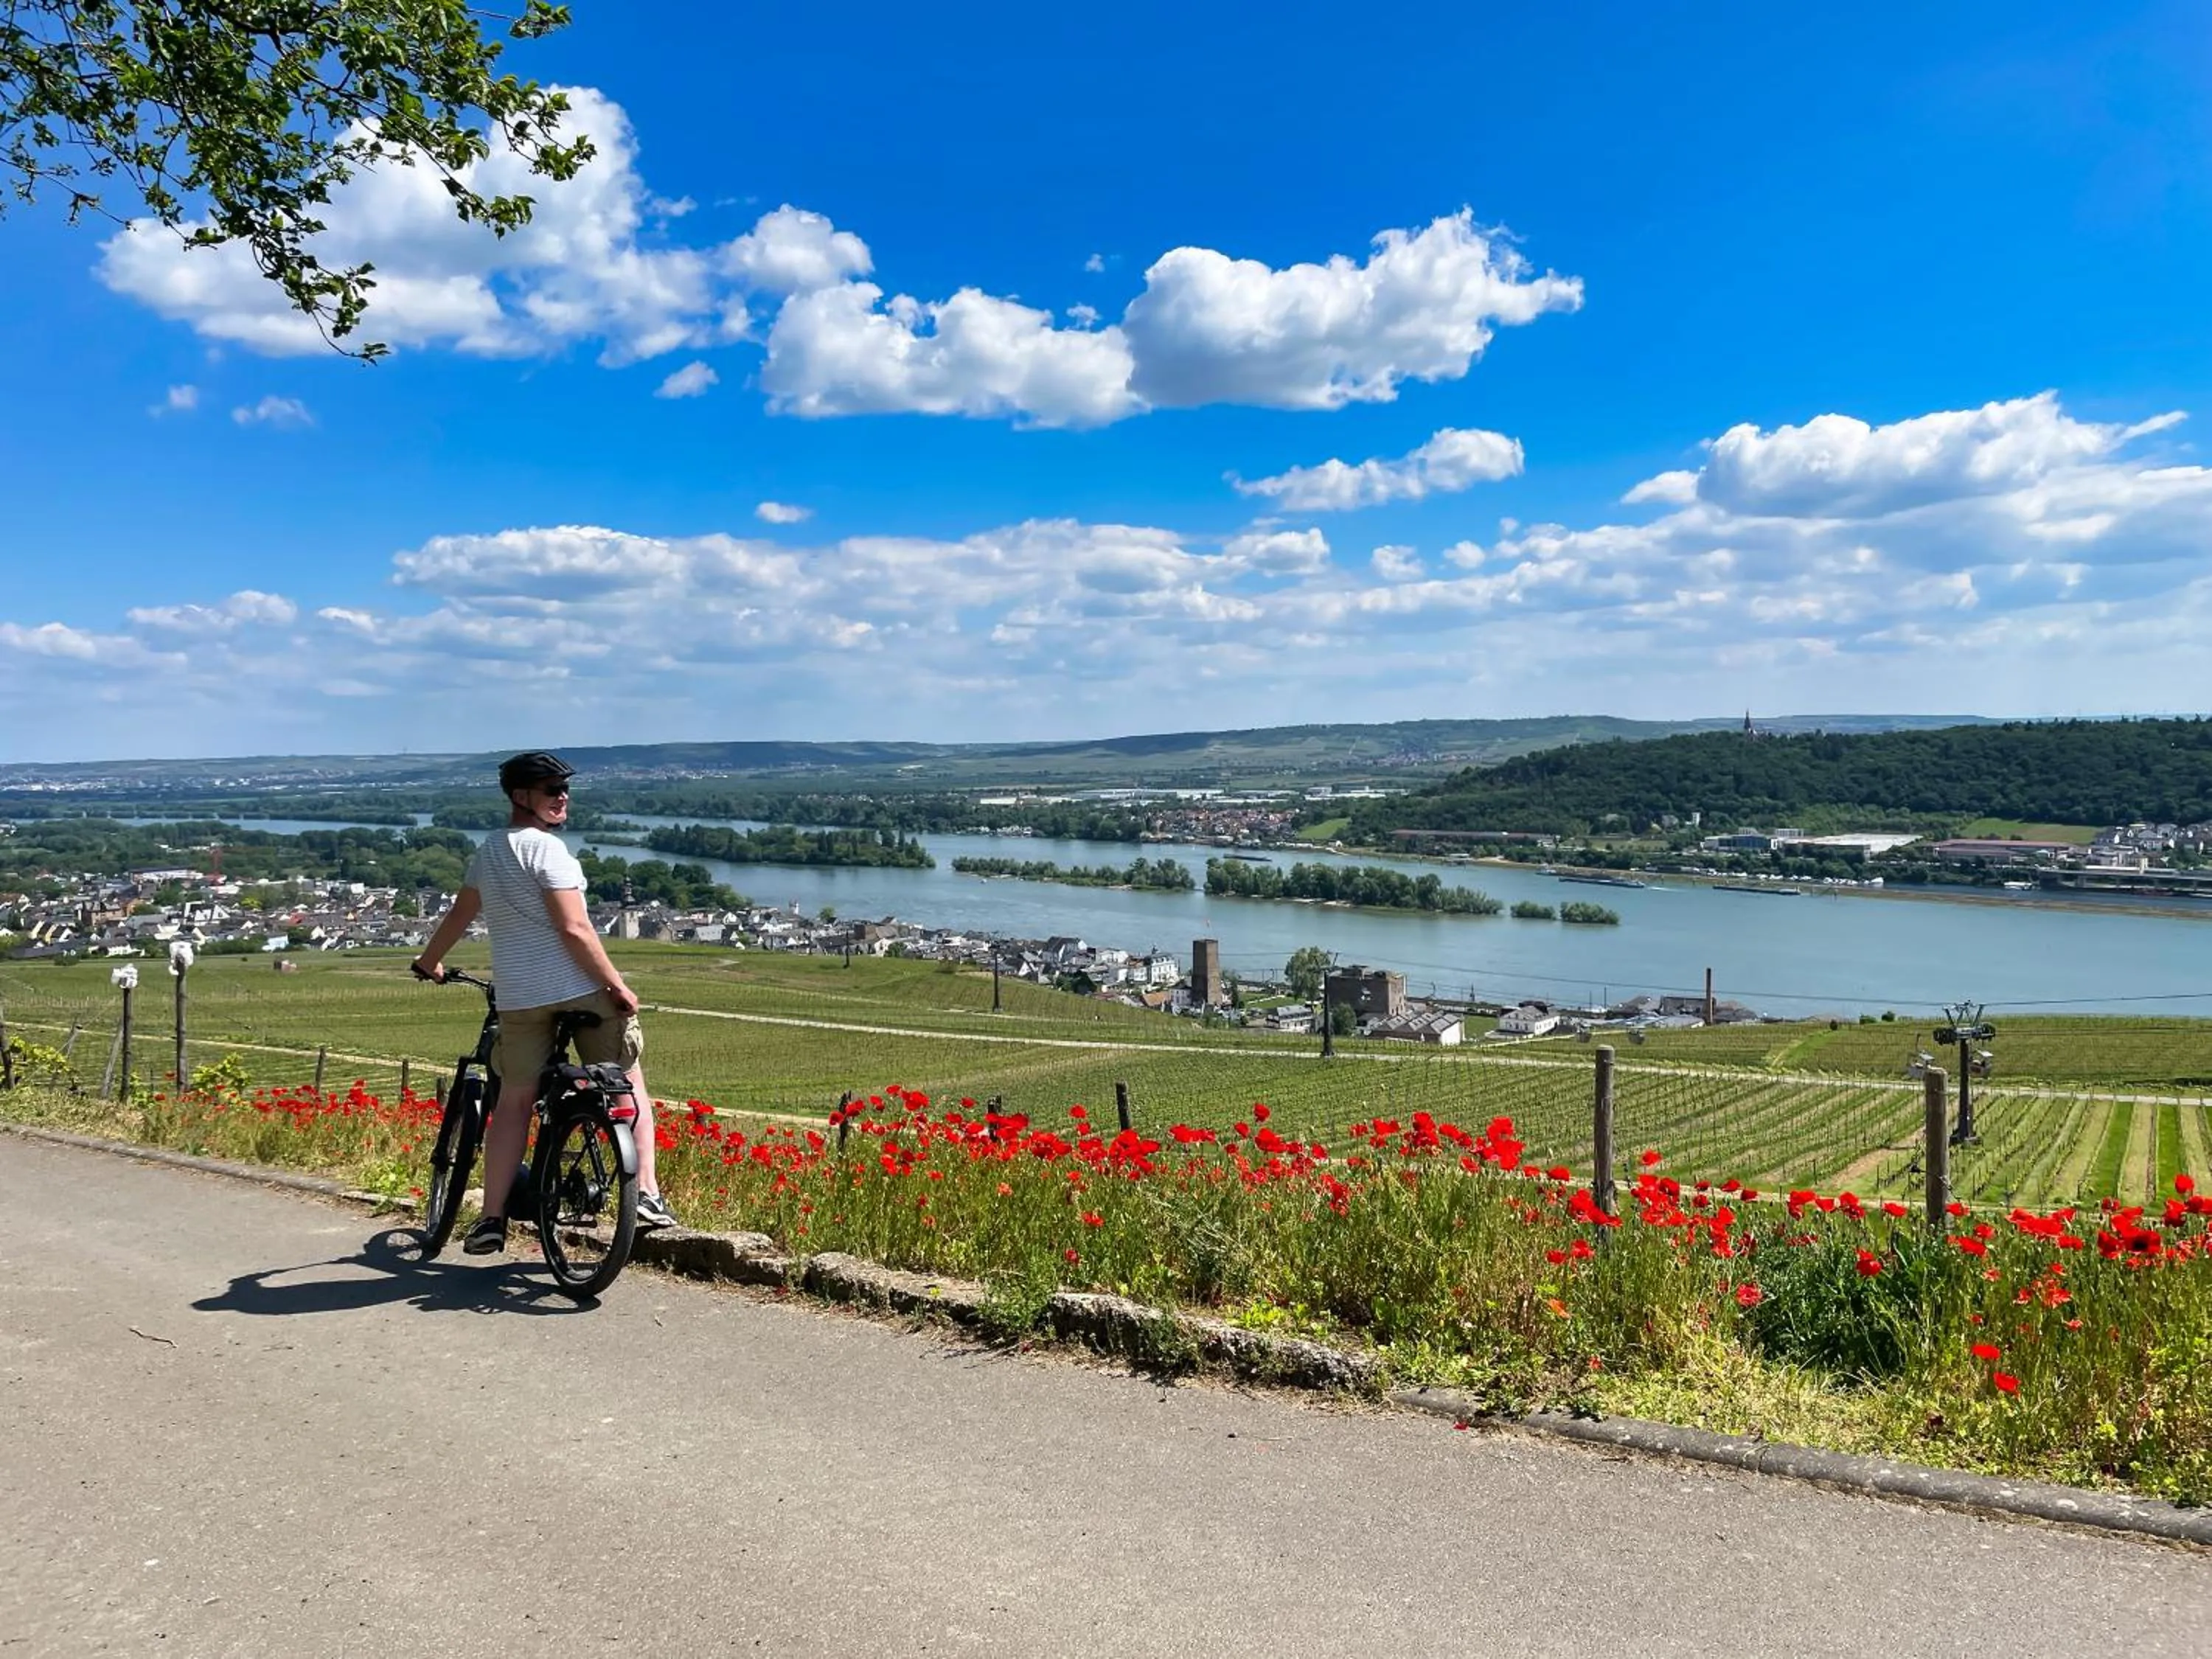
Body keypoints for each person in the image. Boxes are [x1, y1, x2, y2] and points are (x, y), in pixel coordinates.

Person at [411, 751, 676, 1251]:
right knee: (626, 1082)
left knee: (514, 1100)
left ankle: (492, 1219)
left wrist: (429, 962)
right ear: (521, 796)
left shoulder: (489, 852)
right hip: (580, 989)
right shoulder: (549, 851)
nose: (563, 797)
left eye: (565, 789)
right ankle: (646, 1193)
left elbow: (459, 915)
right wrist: (616, 986)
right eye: (552, 790)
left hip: (521, 999)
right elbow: (575, 929)